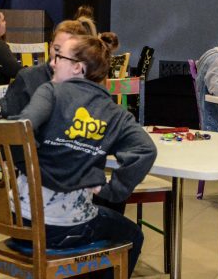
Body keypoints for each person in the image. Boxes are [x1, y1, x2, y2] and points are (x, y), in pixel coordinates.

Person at [13, 34, 156, 278]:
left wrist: (41, 163)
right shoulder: (114, 112)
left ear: (78, 67)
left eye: (59, 57)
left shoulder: (50, 92)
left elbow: (19, 129)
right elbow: (146, 150)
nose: (52, 63)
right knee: (132, 235)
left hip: (20, 219)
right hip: (69, 226)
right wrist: (113, 191)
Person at [0, 18, 97, 118]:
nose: (59, 56)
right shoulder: (27, 78)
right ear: (50, 47)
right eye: (57, 49)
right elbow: (11, 125)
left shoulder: (88, 82)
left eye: (68, 52)